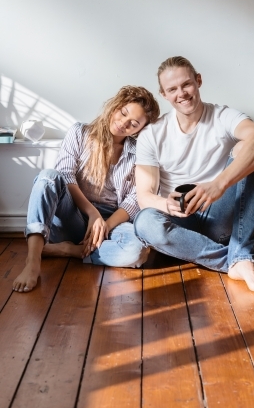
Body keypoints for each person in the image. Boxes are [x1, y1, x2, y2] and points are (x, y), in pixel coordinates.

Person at [134, 56, 254, 294]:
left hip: (220, 214)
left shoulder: (222, 116)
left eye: (186, 84)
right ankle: (242, 260)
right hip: (180, 223)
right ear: (163, 94)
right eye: (172, 89)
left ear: (198, 81)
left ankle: (241, 256)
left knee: (249, 150)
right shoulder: (151, 134)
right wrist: (166, 205)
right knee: (144, 222)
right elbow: (143, 196)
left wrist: (218, 184)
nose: (182, 93)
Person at [13, 85, 160, 293]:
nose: (123, 123)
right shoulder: (80, 132)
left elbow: (134, 199)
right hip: (73, 213)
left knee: (138, 251)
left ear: (140, 130)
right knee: (47, 177)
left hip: (111, 220)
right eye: (123, 112)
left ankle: (68, 250)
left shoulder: (138, 153)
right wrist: (92, 213)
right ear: (116, 106)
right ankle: (33, 260)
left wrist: (105, 225)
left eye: (133, 124)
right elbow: (65, 175)